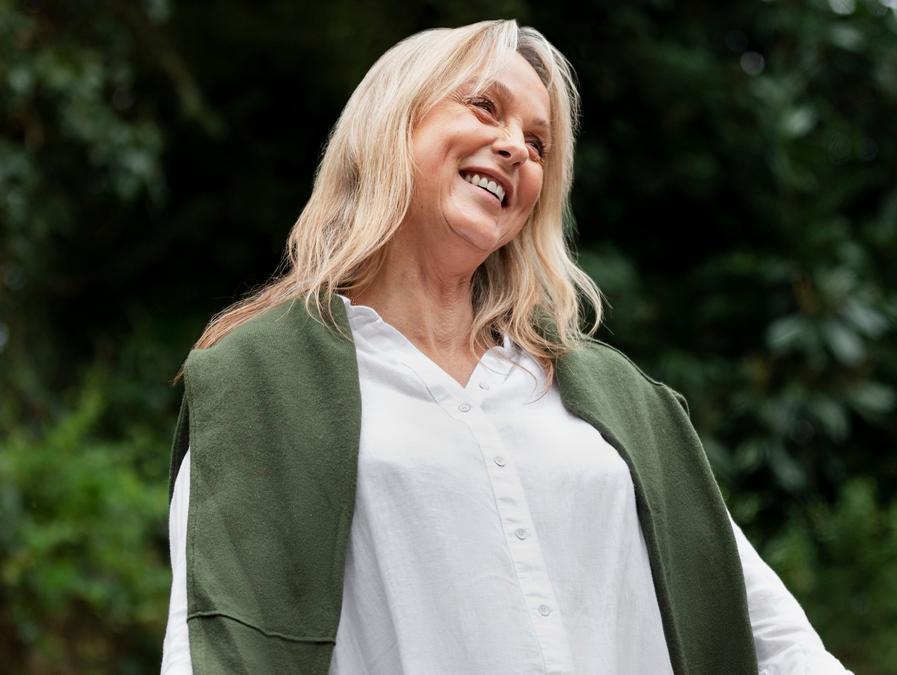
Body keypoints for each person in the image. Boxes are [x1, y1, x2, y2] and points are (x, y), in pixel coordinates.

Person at [160, 18, 852, 675]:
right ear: (392, 123)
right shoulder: (261, 382)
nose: (518, 147)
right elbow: (204, 645)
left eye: (539, 143)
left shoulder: (617, 400)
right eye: (486, 108)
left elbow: (772, 635)